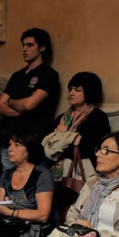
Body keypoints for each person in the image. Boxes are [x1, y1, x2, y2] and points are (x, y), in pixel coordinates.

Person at [43, 72, 110, 211]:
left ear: (89, 92)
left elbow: (90, 147)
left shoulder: (98, 117)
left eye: (77, 90)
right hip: (56, 173)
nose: (71, 93)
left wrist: (61, 136)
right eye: (70, 89)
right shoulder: (62, 117)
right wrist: (72, 139)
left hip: (80, 173)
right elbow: (46, 144)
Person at [0, 28, 60, 171]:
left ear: (42, 48)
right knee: (8, 188)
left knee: (32, 189)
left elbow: (30, 104)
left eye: (30, 45)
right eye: (23, 45)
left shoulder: (48, 74)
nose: (24, 49)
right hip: (9, 143)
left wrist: (11, 102)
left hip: (32, 145)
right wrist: (21, 108)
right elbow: (0, 106)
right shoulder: (17, 75)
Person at [0, 130, 54, 237]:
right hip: (9, 223)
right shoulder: (7, 173)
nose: (10, 149)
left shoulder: (42, 175)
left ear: (29, 150)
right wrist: (1, 206)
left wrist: (12, 211)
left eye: (17, 145)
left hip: (30, 229)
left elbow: (43, 215)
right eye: (10, 144)